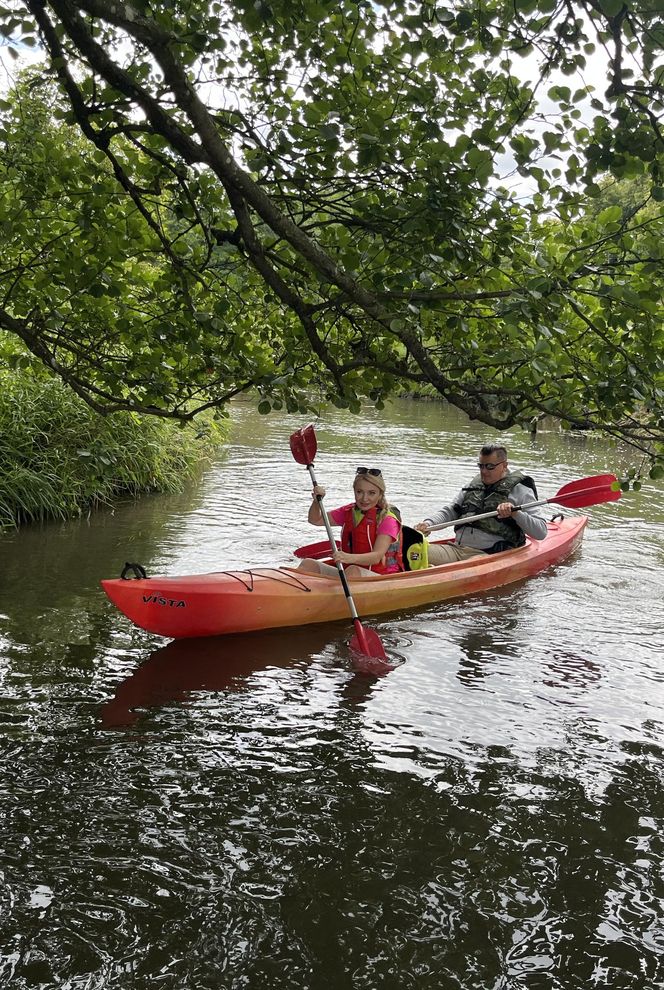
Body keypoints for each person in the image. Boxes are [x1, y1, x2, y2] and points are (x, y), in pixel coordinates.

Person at [414, 444, 548, 565]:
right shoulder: (472, 486)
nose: (484, 471)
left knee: (466, 568)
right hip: (457, 550)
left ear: (504, 465)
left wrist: (515, 513)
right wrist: (428, 524)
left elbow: (541, 532)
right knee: (412, 552)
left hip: (489, 556)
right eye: (481, 466)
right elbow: (450, 511)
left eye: (490, 466)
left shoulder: (522, 491)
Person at [298, 468, 404, 578]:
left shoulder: (387, 520)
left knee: (353, 571)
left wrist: (347, 557)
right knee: (308, 564)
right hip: (349, 574)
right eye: (359, 492)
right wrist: (316, 502)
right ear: (354, 491)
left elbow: (376, 557)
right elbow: (315, 520)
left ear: (380, 495)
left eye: (371, 493)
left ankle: (332, 591)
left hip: (382, 577)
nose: (364, 498)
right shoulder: (348, 512)